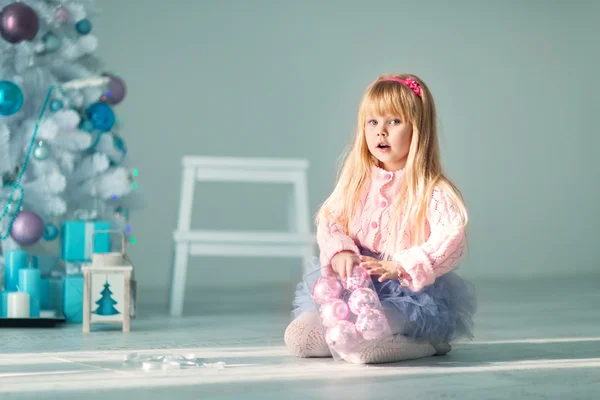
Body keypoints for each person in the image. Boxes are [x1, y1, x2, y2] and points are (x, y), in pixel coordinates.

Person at [284, 73, 476, 364]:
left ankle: (424, 342)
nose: (380, 132)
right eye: (373, 122)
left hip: (408, 295)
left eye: (394, 122)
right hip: (356, 287)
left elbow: (452, 239)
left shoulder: (431, 190)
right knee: (299, 339)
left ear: (418, 129)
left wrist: (401, 265)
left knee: (361, 346)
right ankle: (365, 339)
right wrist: (342, 249)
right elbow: (330, 219)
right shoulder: (356, 182)